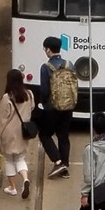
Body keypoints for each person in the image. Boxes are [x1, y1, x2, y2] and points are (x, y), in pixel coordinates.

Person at [35, 37, 78, 177]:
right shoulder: (69, 64)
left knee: (45, 135)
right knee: (63, 136)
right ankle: (65, 167)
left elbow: (45, 90)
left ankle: (58, 161)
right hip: (68, 106)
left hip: (52, 108)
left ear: (48, 49)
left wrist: (43, 103)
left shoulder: (46, 67)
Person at [0, 68, 36, 200]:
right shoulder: (29, 94)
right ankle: (25, 179)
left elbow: (2, 120)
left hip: (8, 133)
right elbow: (32, 107)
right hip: (23, 132)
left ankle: (12, 188)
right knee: (20, 158)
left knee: (8, 160)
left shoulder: (7, 98)